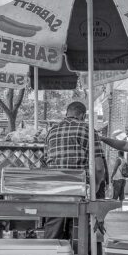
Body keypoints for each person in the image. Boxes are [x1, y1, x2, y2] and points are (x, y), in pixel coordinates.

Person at [44, 101, 105, 239]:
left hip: (55, 188)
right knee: (80, 231)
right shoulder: (87, 129)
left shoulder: (51, 131)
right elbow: (99, 167)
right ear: (83, 115)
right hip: (79, 189)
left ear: (67, 113)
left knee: (53, 231)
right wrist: (95, 187)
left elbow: (45, 160)